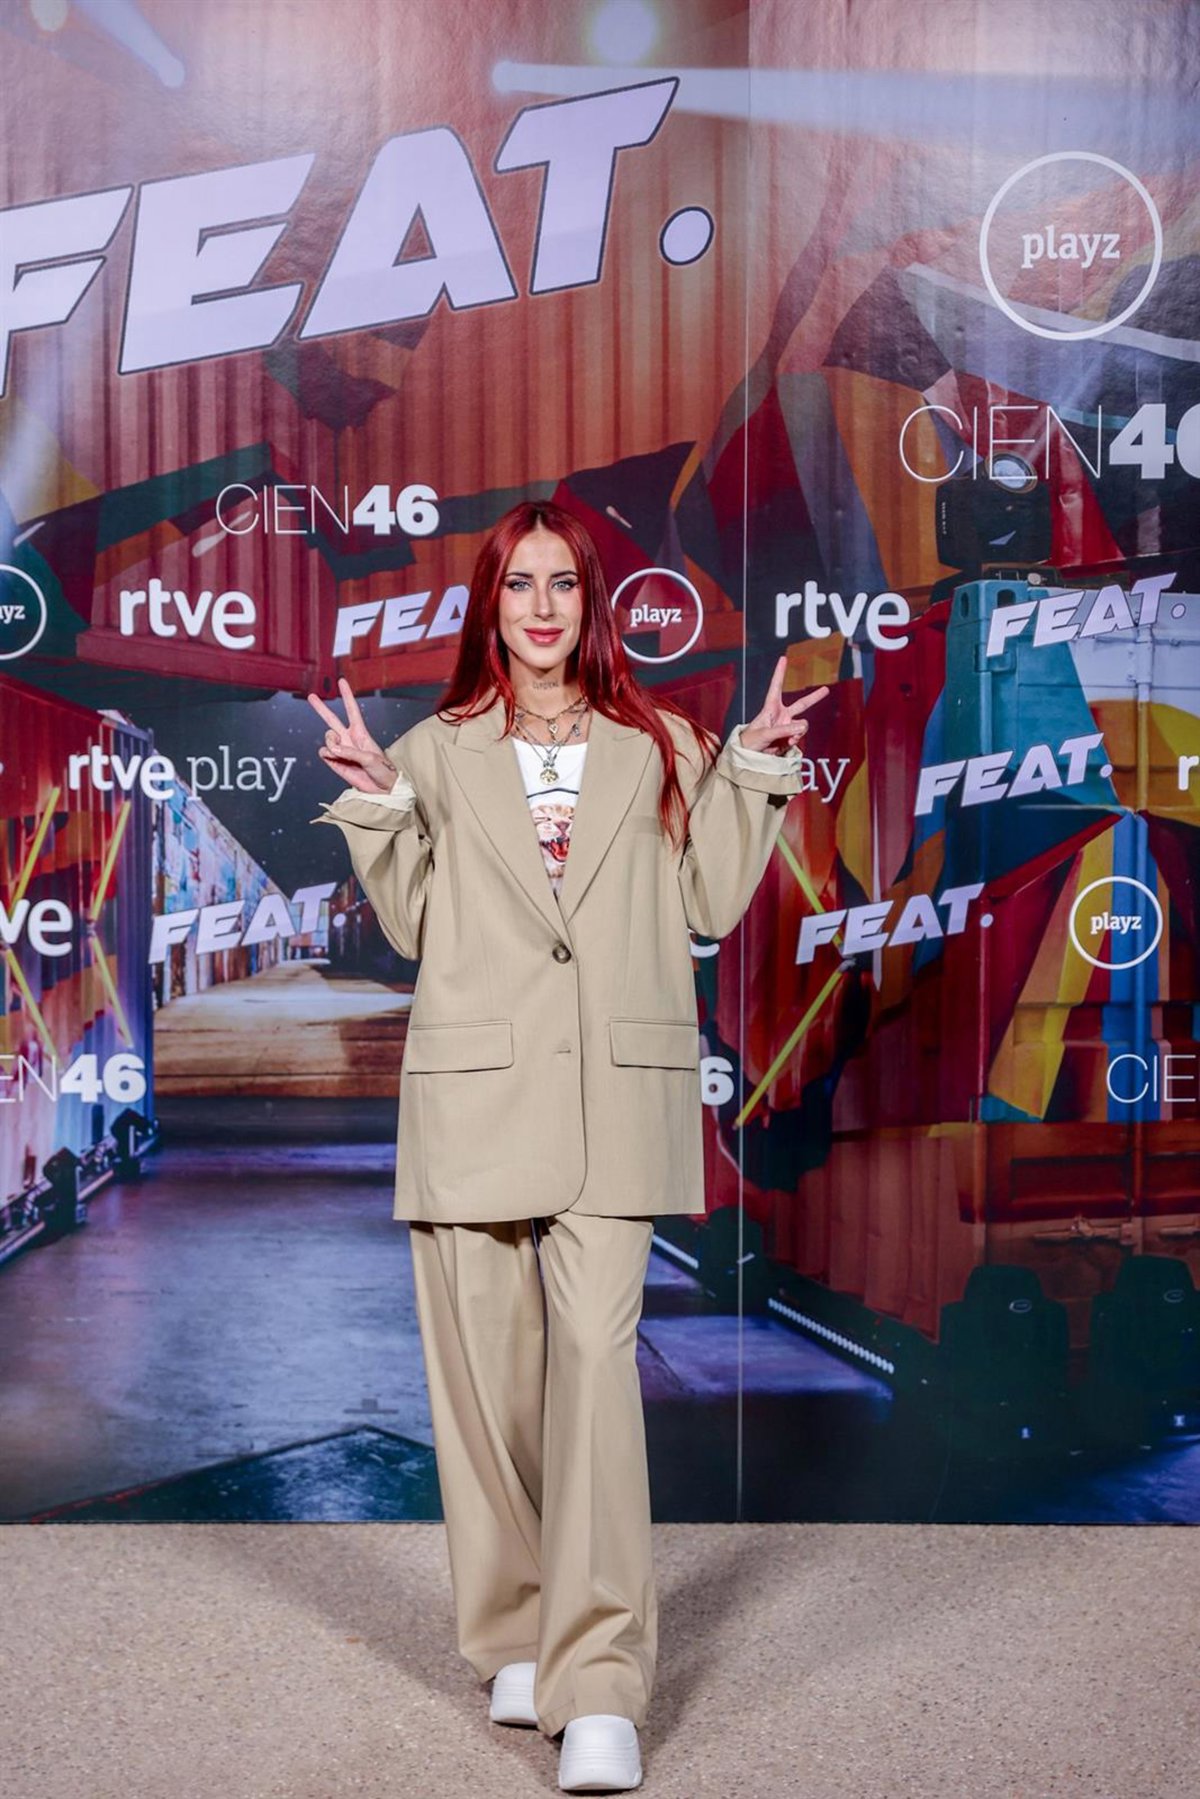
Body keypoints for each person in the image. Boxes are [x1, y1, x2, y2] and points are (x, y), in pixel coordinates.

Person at [308, 500, 827, 1792]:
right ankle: (514, 1635)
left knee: (594, 1364)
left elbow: (709, 898)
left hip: (615, 1100)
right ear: (490, 605)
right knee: (487, 1388)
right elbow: (416, 926)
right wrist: (379, 804)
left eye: (563, 584)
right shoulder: (433, 751)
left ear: (593, 602)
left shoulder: (662, 742)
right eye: (518, 584)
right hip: (473, 1098)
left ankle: (597, 1682)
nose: (541, 608)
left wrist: (753, 770)